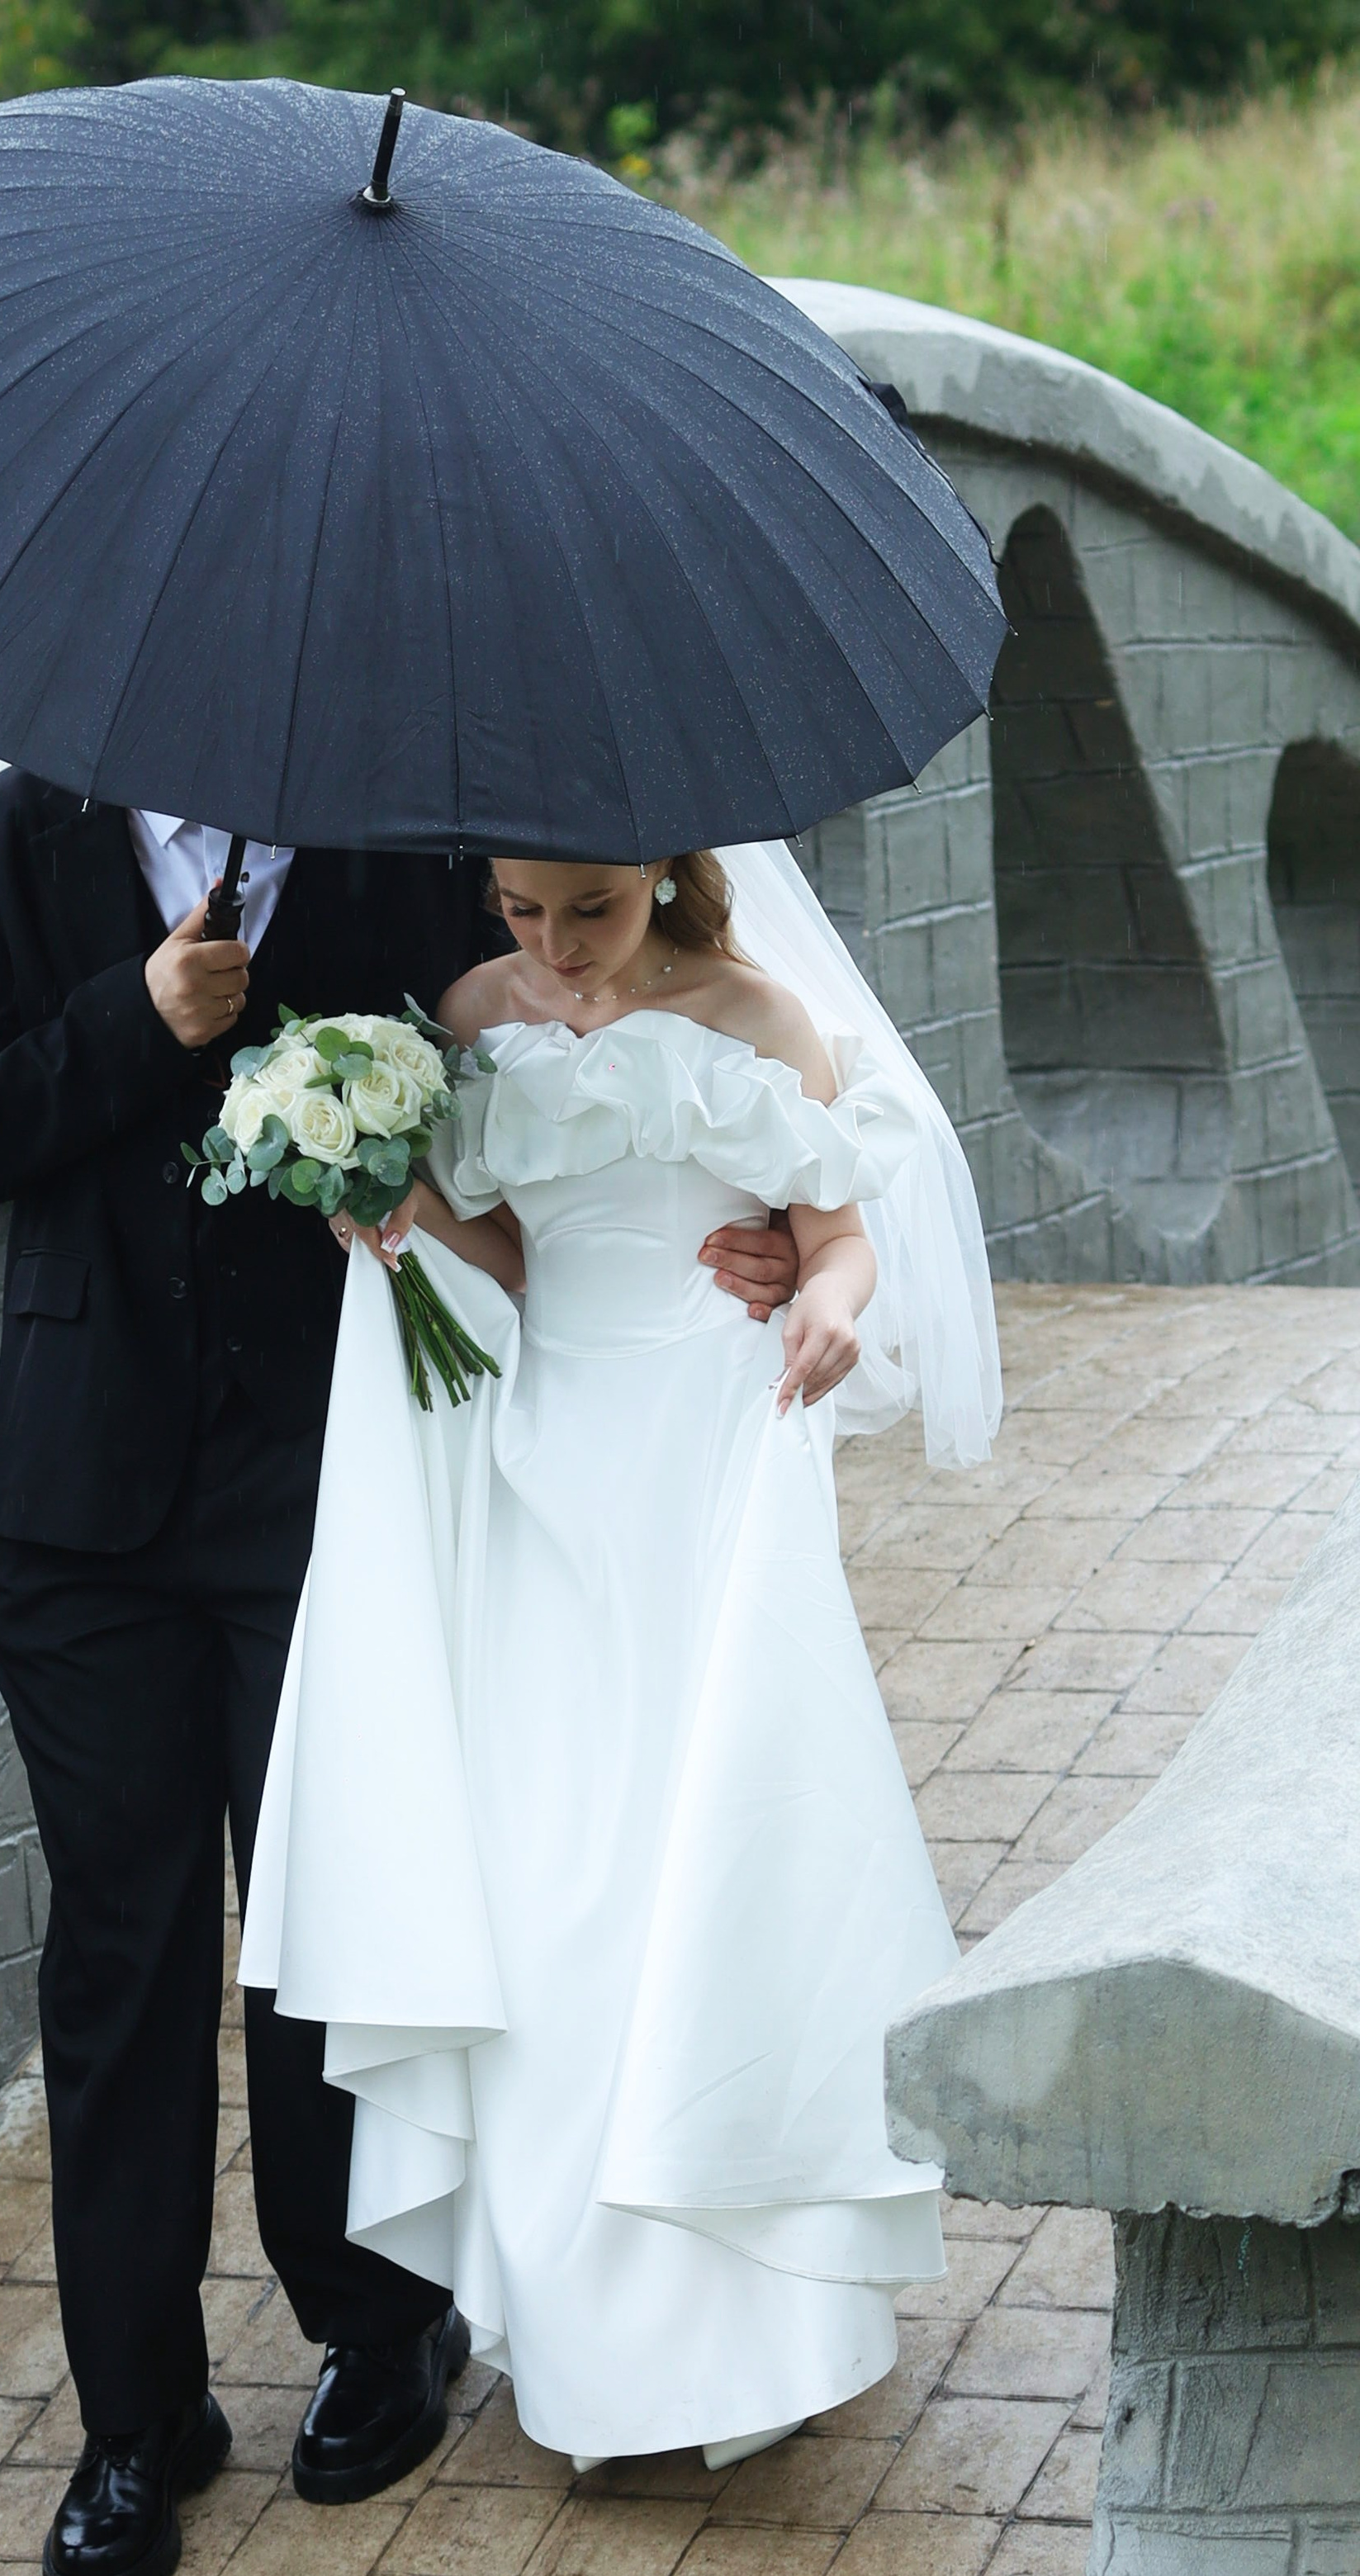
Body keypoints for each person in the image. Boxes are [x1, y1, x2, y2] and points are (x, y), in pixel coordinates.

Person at [0, 777, 804, 2576]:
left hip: (336, 1482)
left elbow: (556, 1072)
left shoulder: (412, 852)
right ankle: (133, 2419)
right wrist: (135, 1017)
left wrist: (763, 1223)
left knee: (330, 1905)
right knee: (121, 1950)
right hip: (83, 1506)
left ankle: (377, 2327)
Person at [241, 840, 1002, 2471]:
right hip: (545, 1464)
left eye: (587, 910)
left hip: (710, 1452)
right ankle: (594, 2354)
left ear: (660, 869)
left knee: (710, 1861)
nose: (556, 945)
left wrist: (829, 1300)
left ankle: (753, 2327)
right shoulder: (467, 1016)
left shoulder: (755, 1018)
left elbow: (839, 1234)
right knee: (555, 1890)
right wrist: (397, 1207)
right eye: (523, 912)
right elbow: (517, 1260)